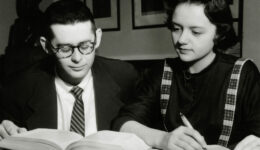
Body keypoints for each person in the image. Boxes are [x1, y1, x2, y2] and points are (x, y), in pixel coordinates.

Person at [112, 0, 260, 150]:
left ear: (219, 32)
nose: (181, 40)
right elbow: (122, 123)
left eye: (195, 32)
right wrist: (163, 139)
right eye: (176, 29)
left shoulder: (244, 73)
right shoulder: (161, 71)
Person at [0, 0, 138, 139]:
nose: (77, 58)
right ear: (46, 46)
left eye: (85, 46)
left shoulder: (125, 77)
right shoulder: (19, 87)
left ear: (98, 37)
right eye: (65, 49)